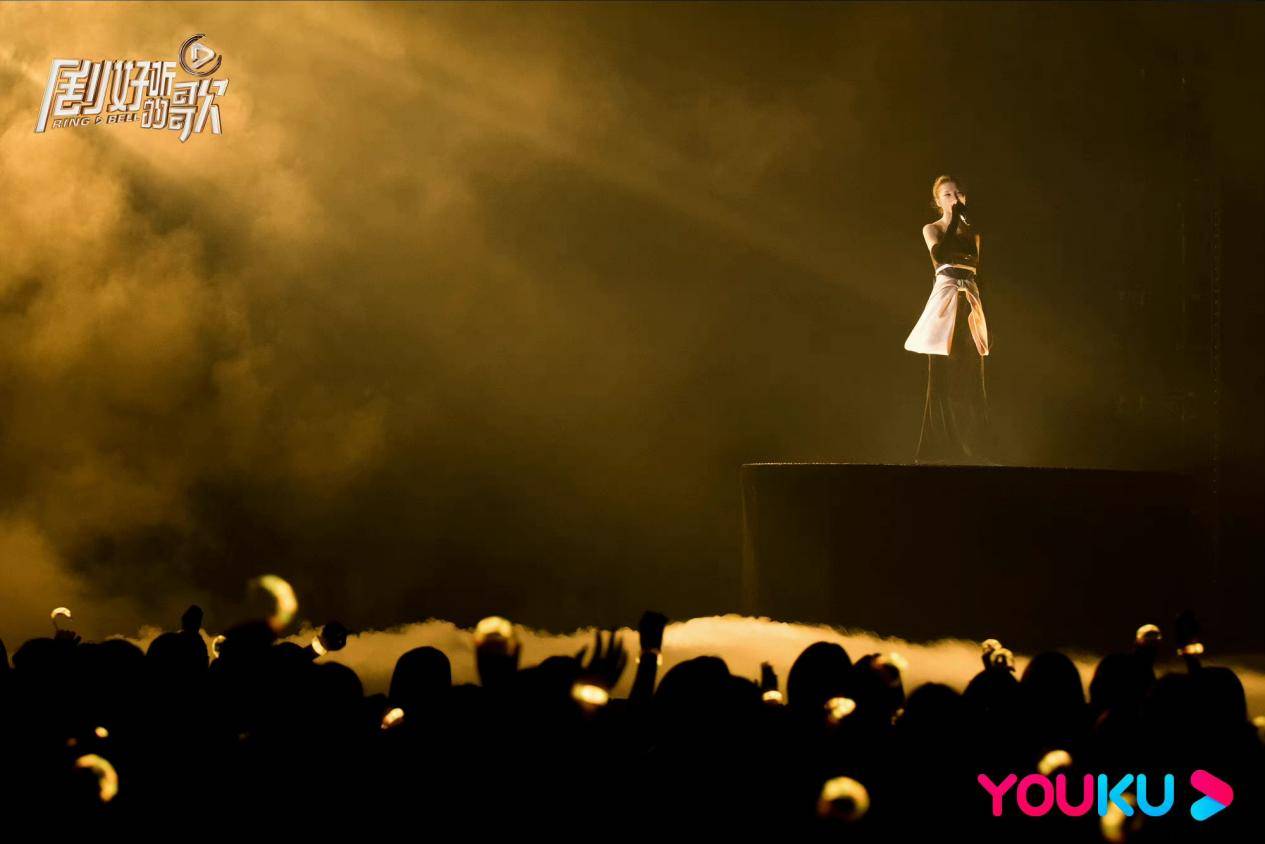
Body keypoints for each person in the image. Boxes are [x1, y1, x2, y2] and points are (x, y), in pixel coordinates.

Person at [904, 174, 998, 465]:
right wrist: (955, 219)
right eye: (947, 195)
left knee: (972, 376)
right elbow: (941, 254)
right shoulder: (932, 229)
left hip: (969, 303)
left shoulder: (973, 235)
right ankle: (939, 447)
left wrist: (985, 319)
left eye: (958, 193)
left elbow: (979, 275)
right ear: (938, 201)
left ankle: (978, 448)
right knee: (942, 376)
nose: (954, 199)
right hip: (945, 303)